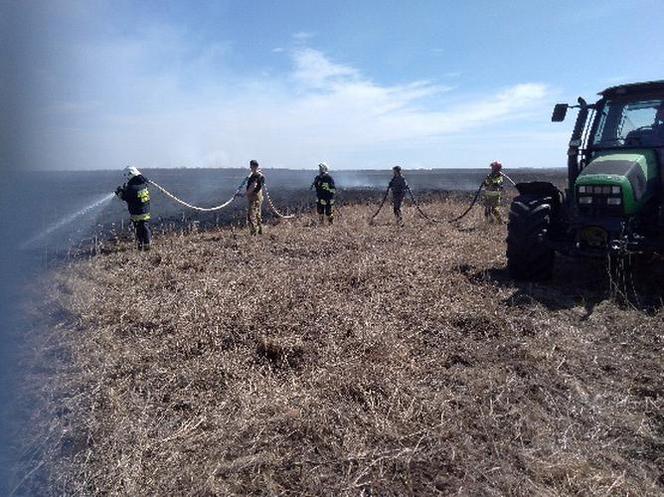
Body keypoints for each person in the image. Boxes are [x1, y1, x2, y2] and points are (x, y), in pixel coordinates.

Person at [115, 166, 152, 250]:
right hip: (145, 209)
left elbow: (125, 197)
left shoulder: (132, 187)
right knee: (145, 227)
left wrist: (120, 192)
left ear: (130, 175)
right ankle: (145, 244)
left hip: (137, 212)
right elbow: (135, 194)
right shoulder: (143, 183)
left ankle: (144, 245)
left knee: (140, 229)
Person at [245, 159, 265, 235]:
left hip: (255, 198)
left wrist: (245, 194)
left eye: (252, 166)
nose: (251, 168)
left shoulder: (258, 177)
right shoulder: (252, 176)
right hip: (253, 198)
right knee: (257, 214)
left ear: (255, 166)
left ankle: (254, 232)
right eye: (251, 166)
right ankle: (259, 230)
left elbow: (254, 187)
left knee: (251, 215)